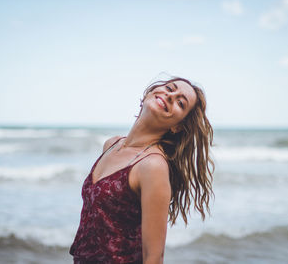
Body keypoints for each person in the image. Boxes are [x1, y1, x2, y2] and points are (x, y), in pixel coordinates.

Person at [69, 76, 215, 264]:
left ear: (177, 126)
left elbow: (154, 257)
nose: (171, 96)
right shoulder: (111, 145)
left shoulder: (152, 166)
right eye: (169, 88)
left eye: (180, 102)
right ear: (150, 93)